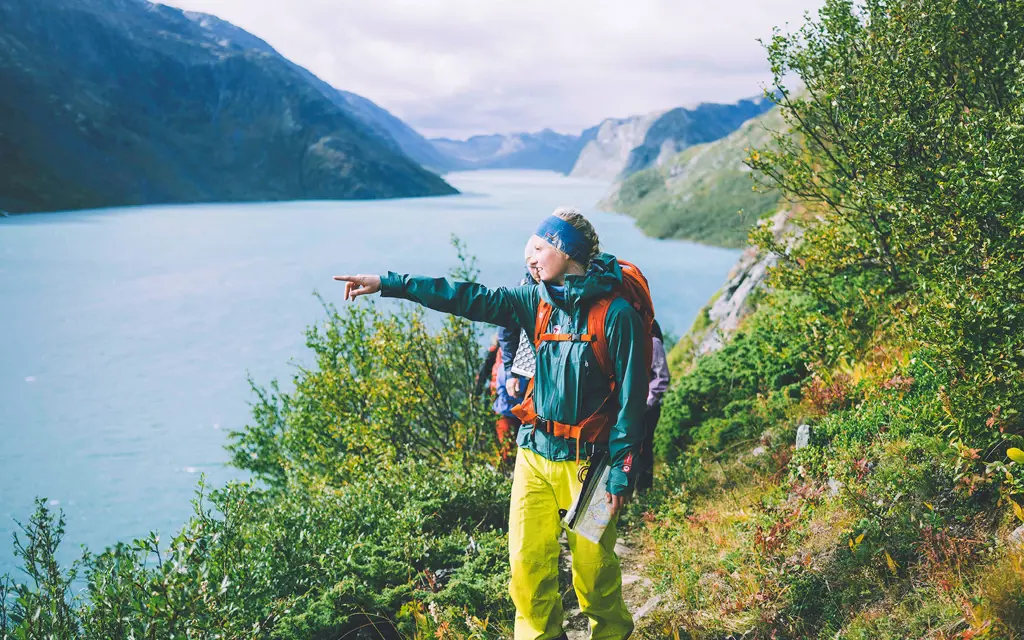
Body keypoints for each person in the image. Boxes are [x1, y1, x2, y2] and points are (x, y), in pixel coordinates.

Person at [334, 207, 645, 640]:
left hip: (591, 466)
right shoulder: (533, 301)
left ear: (566, 251)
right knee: (526, 566)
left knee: (594, 574)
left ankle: (612, 634)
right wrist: (390, 284)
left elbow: (633, 401)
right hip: (534, 454)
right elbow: (466, 296)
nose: (528, 255)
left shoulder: (616, 316)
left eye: (539, 247)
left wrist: (622, 472)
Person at [636, 320, 670, 493]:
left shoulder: (653, 343)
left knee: (643, 449)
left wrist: (647, 403)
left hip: (647, 409)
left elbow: (661, 377)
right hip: (635, 407)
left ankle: (643, 493)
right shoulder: (638, 342)